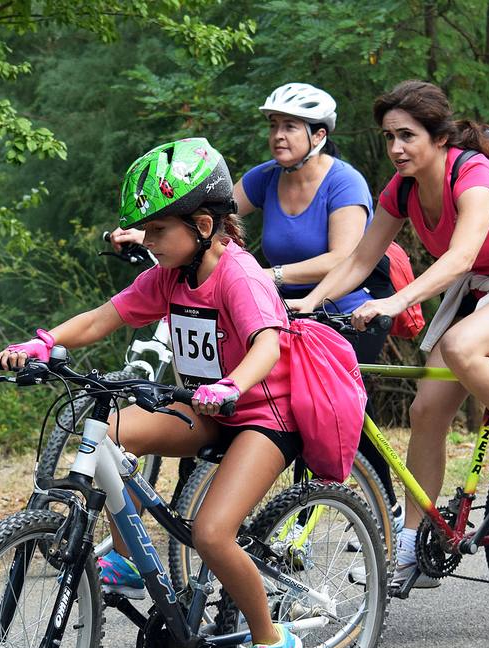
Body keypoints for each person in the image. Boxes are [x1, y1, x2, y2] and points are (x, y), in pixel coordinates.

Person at [0, 138, 304, 648]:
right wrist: (43, 342)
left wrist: (233, 384)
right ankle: (136, 558)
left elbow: (267, 342)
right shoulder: (170, 276)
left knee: (212, 534)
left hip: (262, 415)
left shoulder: (238, 276)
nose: (148, 242)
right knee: (107, 429)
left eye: (158, 230)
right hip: (205, 409)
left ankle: (271, 642)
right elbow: (104, 318)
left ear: (204, 225)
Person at [292, 79, 489, 594]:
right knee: (425, 411)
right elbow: (361, 258)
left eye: (407, 136)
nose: (396, 148)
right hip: (480, 284)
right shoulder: (401, 189)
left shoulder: (476, 176)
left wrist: (397, 302)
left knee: (464, 346)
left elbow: (460, 256)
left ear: (440, 137)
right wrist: (310, 301)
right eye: (389, 137)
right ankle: (413, 543)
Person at [113, 83, 400, 517]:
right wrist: (150, 231)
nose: (278, 136)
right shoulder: (267, 177)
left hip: (340, 309)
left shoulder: (344, 181)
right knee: (207, 380)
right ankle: (189, 499)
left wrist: (271, 275)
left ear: (318, 135)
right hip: (271, 306)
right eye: (273, 126)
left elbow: (345, 256)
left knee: (332, 401)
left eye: (290, 126)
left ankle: (382, 503)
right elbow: (208, 216)